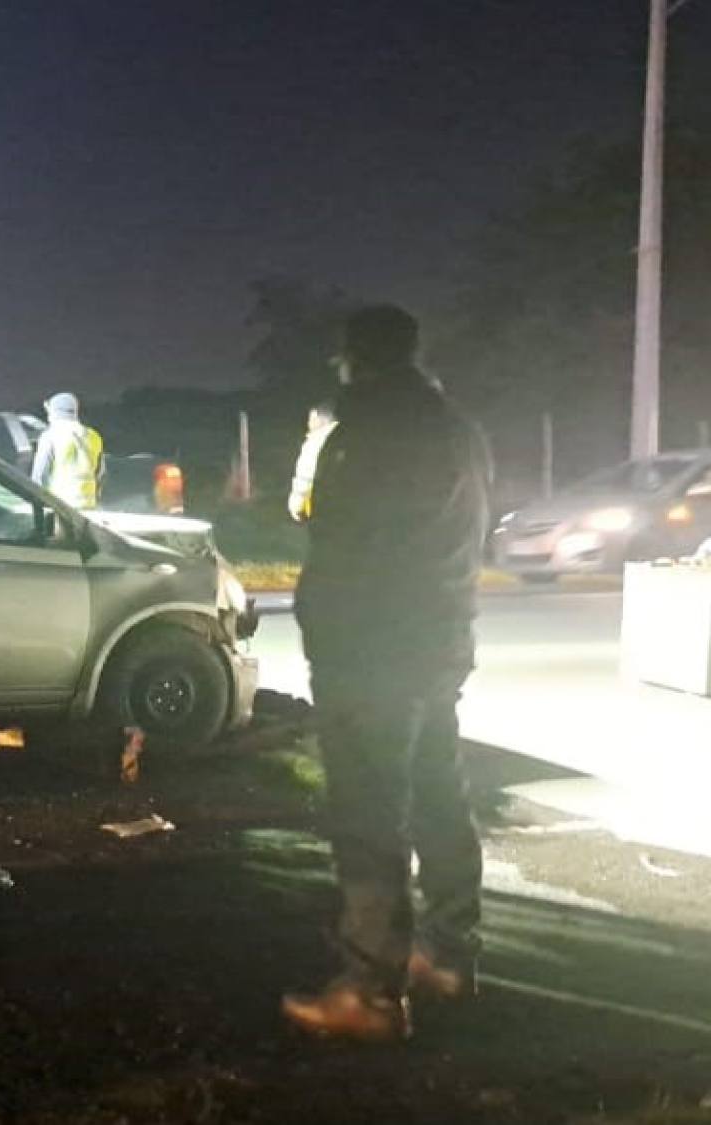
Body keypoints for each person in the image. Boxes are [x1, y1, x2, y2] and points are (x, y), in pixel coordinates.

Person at [282, 305, 492, 1042]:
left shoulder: (361, 432)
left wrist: (324, 630)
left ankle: (371, 990)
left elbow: (338, 537)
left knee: (369, 812)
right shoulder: (459, 430)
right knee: (438, 787)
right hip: (438, 638)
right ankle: (449, 954)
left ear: (353, 359)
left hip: (372, 649)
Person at [29, 393, 105, 510]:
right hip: (89, 506)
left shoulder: (51, 436)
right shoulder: (94, 436)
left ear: (55, 411)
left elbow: (39, 477)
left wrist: (38, 507)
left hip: (61, 506)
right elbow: (100, 474)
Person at [287, 402, 338, 522]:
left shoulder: (313, 444)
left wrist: (295, 504)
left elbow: (304, 475)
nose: (308, 422)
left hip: (323, 500)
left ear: (317, 418)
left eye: (310, 418)